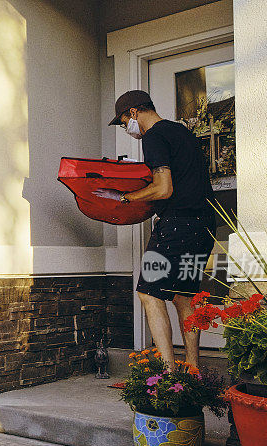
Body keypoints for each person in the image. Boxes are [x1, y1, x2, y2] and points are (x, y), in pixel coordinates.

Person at [95, 90, 217, 371]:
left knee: (149, 293)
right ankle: (193, 370)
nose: (126, 127)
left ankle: (169, 373)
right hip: (204, 224)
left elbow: (164, 188)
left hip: (177, 225)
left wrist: (125, 198)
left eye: (124, 121)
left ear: (134, 112)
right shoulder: (182, 132)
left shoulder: (154, 136)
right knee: (184, 296)